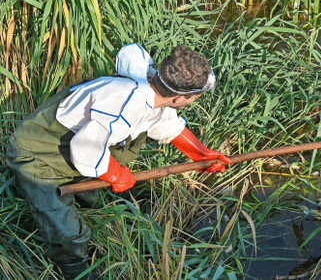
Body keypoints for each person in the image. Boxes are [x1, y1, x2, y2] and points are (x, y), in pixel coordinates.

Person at [6, 43, 232, 279]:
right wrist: (115, 174)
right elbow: (85, 152)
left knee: (85, 197)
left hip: (71, 148)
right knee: (67, 232)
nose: (195, 100)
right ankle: (77, 270)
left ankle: (81, 204)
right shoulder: (126, 101)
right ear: (178, 98)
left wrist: (202, 154)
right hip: (38, 153)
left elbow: (164, 123)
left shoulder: (154, 88)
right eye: (195, 97)